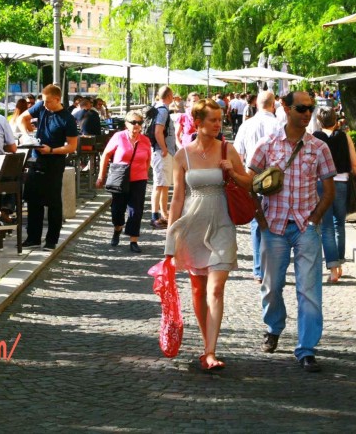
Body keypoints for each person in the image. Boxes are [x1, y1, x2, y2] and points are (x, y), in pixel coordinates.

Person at [248, 90, 335, 373]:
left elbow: (329, 190)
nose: (307, 113)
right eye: (301, 108)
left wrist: (315, 218)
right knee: (271, 287)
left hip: (305, 228)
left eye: (310, 108)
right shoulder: (267, 144)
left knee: (309, 290)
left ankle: (307, 348)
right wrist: (260, 219)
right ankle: (274, 326)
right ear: (285, 108)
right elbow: (249, 183)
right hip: (272, 226)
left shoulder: (319, 147)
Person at [164, 99, 249, 371]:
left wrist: (232, 171)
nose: (218, 124)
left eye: (220, 119)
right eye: (213, 120)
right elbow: (177, 199)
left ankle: (211, 352)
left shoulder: (228, 148)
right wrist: (170, 238)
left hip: (222, 223)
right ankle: (206, 344)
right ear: (198, 123)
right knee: (198, 288)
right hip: (193, 226)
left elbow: (249, 182)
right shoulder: (182, 155)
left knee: (216, 287)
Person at [17, 84, 78, 250]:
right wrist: (26, 135)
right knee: (32, 199)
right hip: (36, 159)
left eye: (48, 102)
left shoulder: (67, 118)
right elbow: (21, 118)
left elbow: (72, 146)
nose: (45, 105)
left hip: (54, 161)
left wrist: (52, 150)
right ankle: (33, 237)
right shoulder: (41, 107)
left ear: (57, 100)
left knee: (53, 202)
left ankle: (51, 239)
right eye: (43, 101)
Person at [233, 90, 282, 284]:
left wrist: (241, 178)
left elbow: (238, 154)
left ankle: (258, 269)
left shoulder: (247, 125)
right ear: (273, 105)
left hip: (252, 178)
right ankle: (272, 266)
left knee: (256, 223)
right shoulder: (279, 125)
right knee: (275, 221)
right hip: (275, 180)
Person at [312, 108, 356, 284]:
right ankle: (340, 264)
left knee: (326, 226)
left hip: (322, 184)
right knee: (339, 224)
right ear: (336, 122)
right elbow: (355, 163)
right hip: (342, 182)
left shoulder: (315, 137)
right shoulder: (344, 136)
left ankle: (333, 268)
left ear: (319, 122)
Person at [97, 111, 152, 253]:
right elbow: (106, 155)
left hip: (139, 179)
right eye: (134, 122)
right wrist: (101, 176)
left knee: (136, 210)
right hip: (120, 178)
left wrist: (144, 174)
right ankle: (117, 228)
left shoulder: (145, 140)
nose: (137, 125)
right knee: (117, 209)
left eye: (140, 122)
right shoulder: (118, 137)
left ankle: (133, 240)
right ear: (126, 124)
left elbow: (147, 160)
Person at [148, 86, 175, 229]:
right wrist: (164, 148)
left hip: (161, 151)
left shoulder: (158, 108)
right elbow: (158, 131)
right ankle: (155, 216)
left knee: (164, 185)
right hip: (161, 152)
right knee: (159, 185)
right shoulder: (163, 110)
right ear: (169, 96)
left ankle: (164, 214)